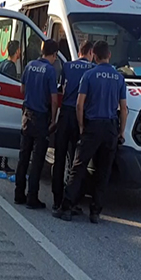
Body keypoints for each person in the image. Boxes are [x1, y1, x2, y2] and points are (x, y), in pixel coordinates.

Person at [53, 40, 127, 223]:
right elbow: (123, 109)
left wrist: (81, 126)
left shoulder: (89, 75)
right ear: (109, 55)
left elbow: (79, 105)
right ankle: (95, 212)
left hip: (92, 126)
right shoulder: (119, 78)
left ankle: (67, 207)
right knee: (103, 171)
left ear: (94, 54)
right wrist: (121, 133)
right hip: (110, 127)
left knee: (78, 167)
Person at [14, 39, 59, 209]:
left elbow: (22, 90)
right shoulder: (50, 71)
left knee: (23, 157)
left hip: (27, 115)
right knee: (37, 160)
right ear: (54, 54)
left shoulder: (30, 65)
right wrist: (53, 120)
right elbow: (54, 100)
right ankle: (32, 197)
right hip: (41, 118)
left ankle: (19, 194)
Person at [51, 40, 95, 213]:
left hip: (65, 115)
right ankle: (74, 201)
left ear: (79, 51)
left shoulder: (67, 65)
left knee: (60, 158)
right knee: (79, 161)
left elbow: (61, 88)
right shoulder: (92, 70)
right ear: (91, 52)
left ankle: (56, 199)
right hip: (80, 117)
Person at [0, 40, 21, 174]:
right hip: (6, 103)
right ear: (17, 51)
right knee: (6, 136)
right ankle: (3, 163)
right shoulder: (11, 67)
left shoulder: (3, 63)